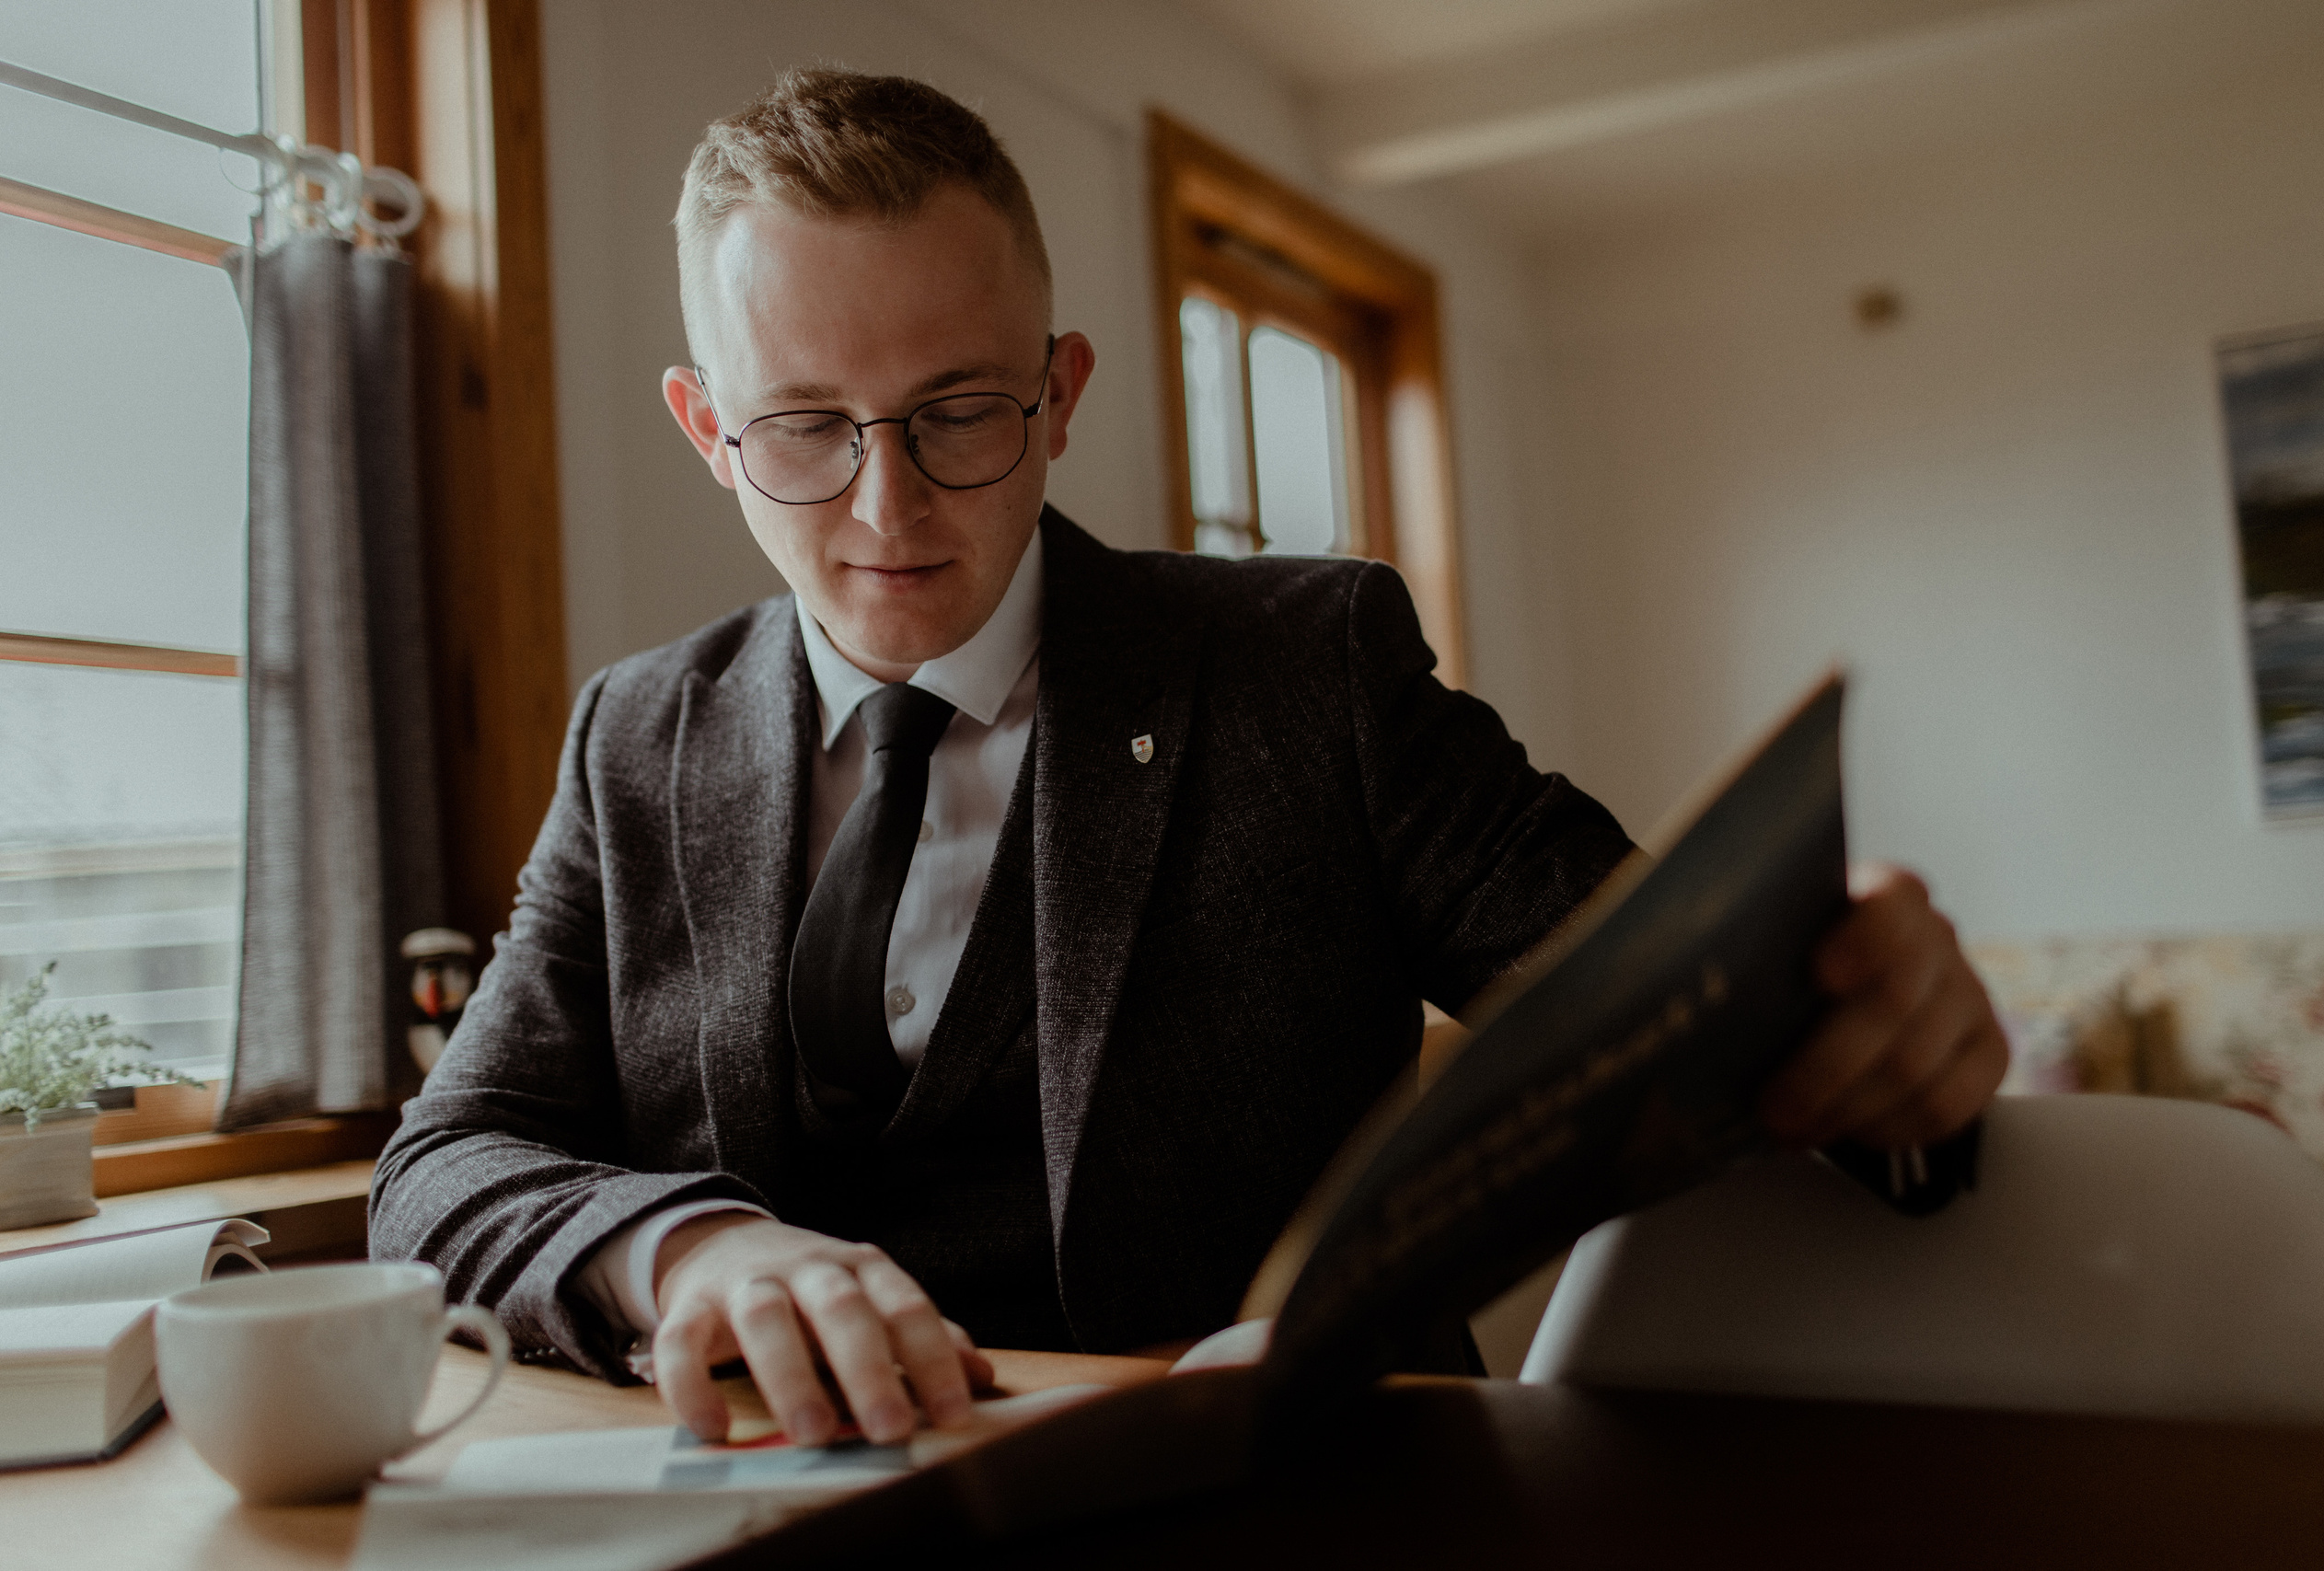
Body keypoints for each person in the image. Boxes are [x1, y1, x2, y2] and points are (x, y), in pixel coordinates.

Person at [369, 68, 2007, 1450]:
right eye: (802, 427)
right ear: (707, 430)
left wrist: (1864, 1015)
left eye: (961, 411)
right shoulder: (632, 736)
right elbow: (442, 1165)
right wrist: (688, 1252)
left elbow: (1682, 1011)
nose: (889, 511)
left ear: (1063, 392)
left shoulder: (1316, 670)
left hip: (1298, 1510)